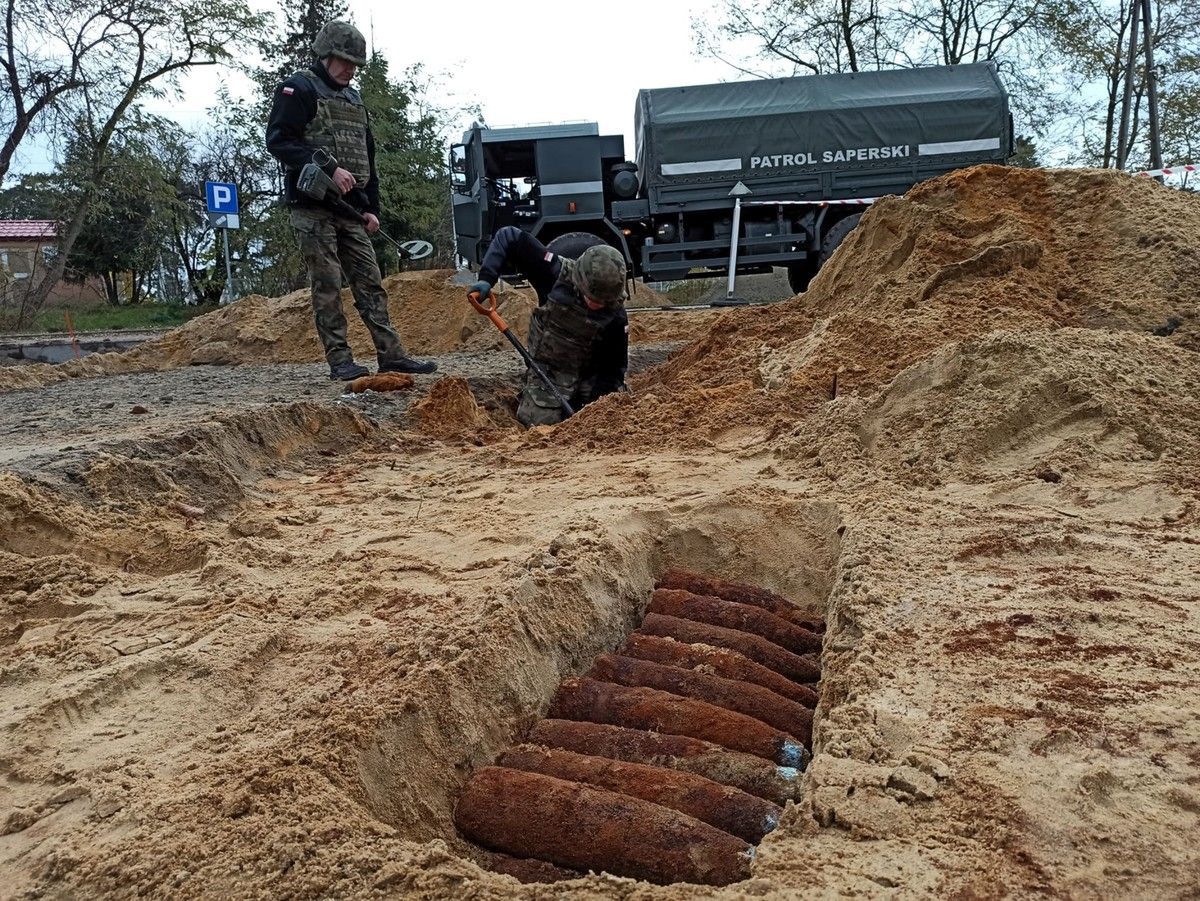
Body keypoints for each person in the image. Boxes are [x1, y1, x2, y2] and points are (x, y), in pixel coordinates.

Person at [266, 20, 436, 381]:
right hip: (312, 208)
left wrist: (371, 208)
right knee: (327, 285)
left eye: (355, 64)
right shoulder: (298, 90)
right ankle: (340, 361)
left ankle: (391, 355)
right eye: (344, 61)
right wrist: (327, 166)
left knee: (370, 281)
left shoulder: (354, 99)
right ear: (326, 55)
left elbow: (366, 157)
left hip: (350, 210)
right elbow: (279, 141)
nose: (350, 69)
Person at [469, 226, 629, 426]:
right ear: (579, 280)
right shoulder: (554, 272)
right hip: (550, 374)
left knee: (611, 413)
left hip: (590, 375)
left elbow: (613, 370)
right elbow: (509, 236)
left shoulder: (616, 316)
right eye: (591, 298)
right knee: (541, 421)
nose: (596, 305)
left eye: (602, 303)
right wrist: (487, 278)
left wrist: (593, 409)